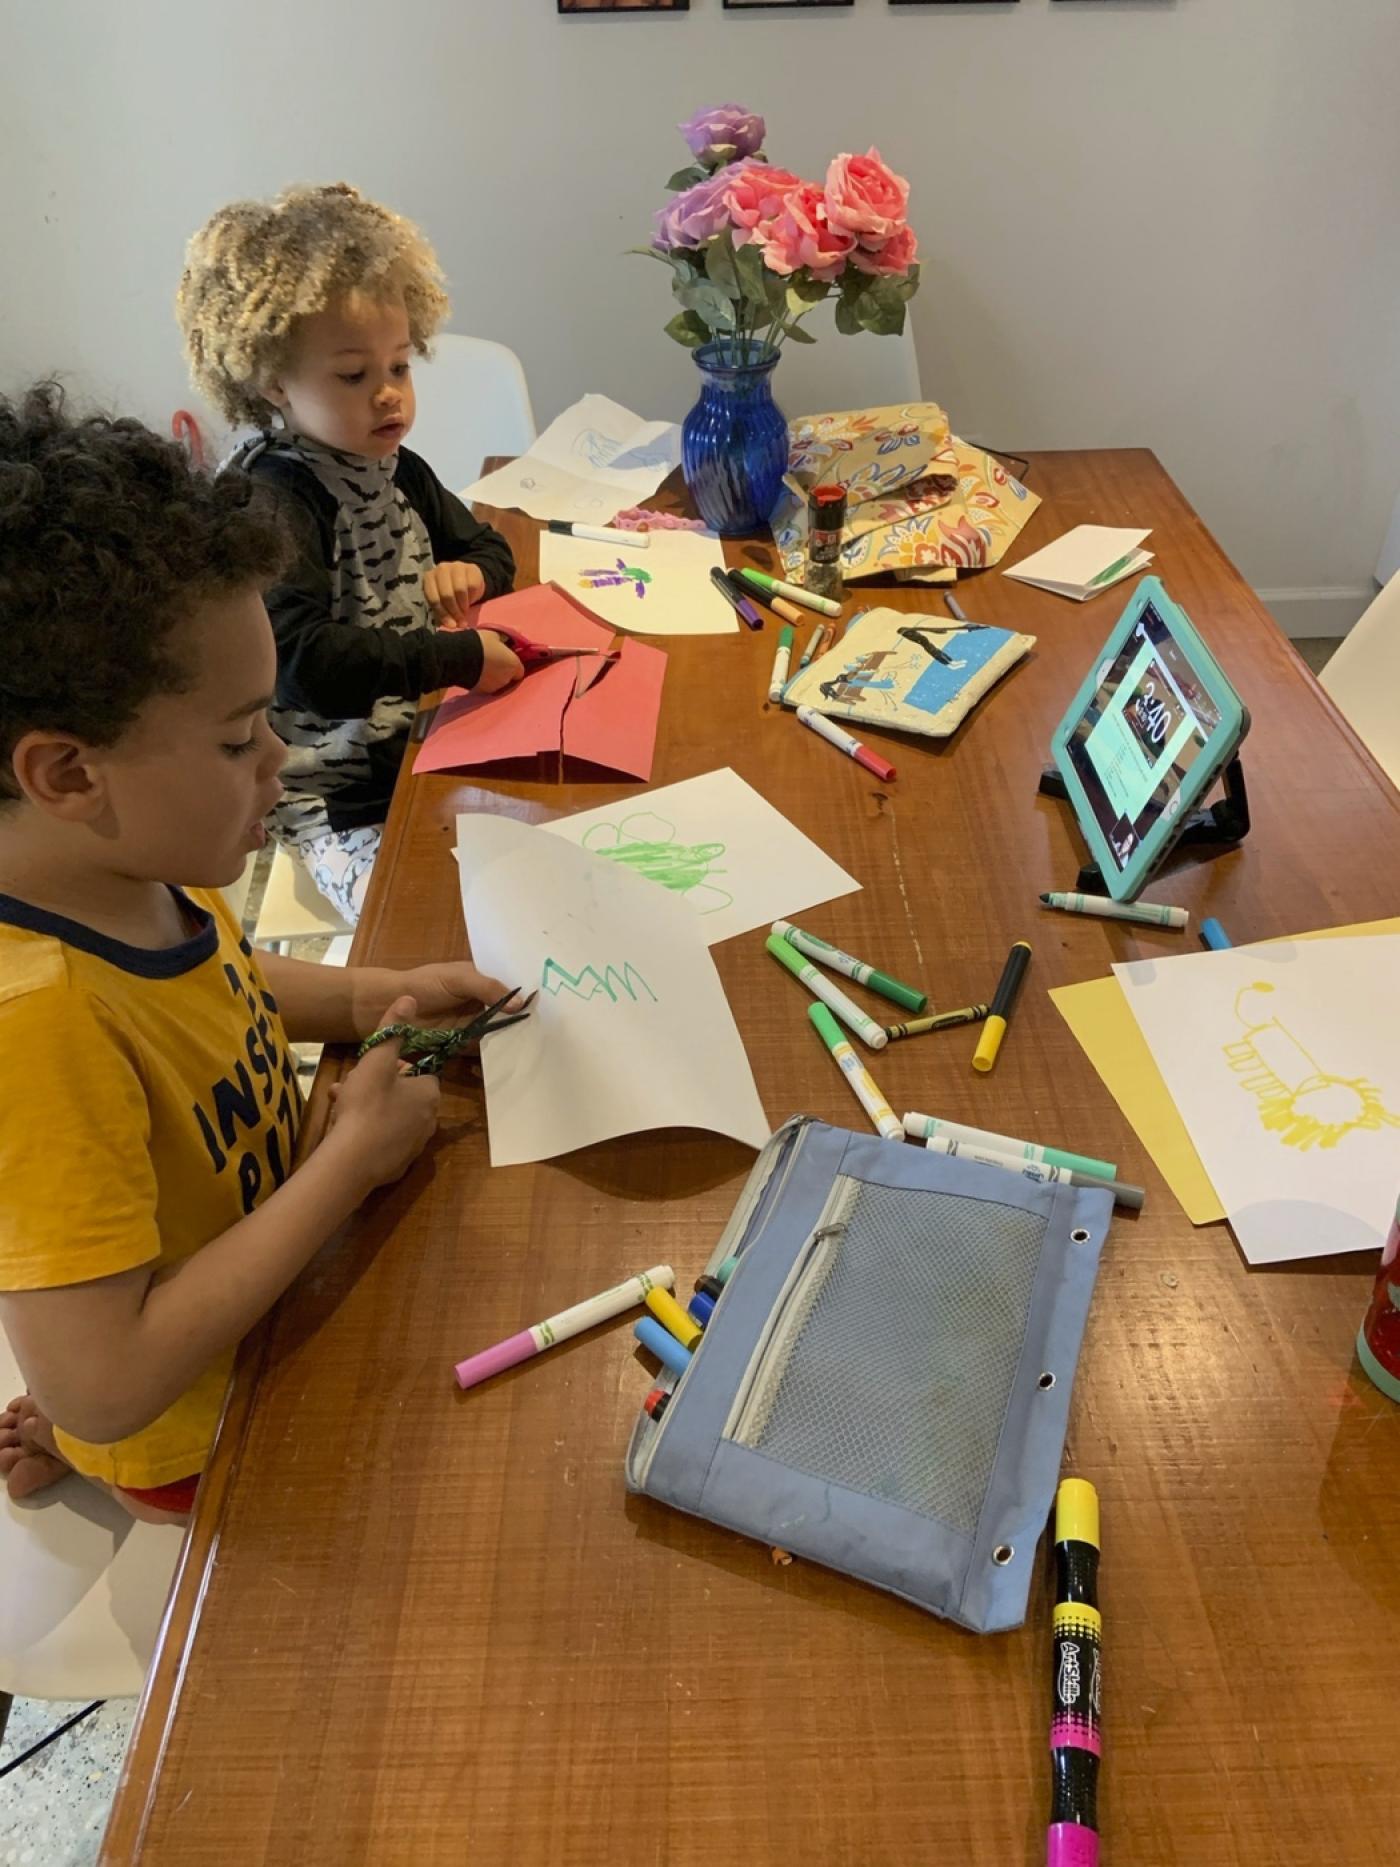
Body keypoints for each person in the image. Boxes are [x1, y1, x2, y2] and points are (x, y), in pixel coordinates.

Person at [0, 385, 513, 1521]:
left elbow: (217, 986)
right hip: (209, 1431)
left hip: (256, 1266)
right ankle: (79, 1471)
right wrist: (349, 1163)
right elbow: (105, 1382)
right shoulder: (34, 1026)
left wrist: (374, 990)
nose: (278, 758)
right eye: (239, 737)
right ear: (70, 775)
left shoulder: (134, 862)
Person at [176, 182, 523, 925]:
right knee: (428, 928)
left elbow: (490, 545)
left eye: (399, 367)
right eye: (353, 376)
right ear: (273, 382)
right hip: (331, 796)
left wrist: (469, 572)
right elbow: (304, 666)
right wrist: (454, 658)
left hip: (419, 740)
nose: (389, 397)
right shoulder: (274, 499)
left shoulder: (392, 465)